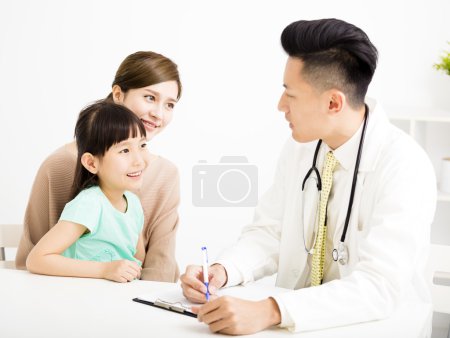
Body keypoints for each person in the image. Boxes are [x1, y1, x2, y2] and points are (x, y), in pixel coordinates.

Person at [180, 18, 437, 334]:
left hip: (378, 328)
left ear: (333, 102)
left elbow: (378, 286)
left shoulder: (405, 165)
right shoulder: (302, 147)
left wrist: (272, 310)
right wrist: (223, 270)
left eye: (290, 94)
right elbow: (271, 231)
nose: (280, 105)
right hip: (302, 323)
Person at [16, 51, 182, 282]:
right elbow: (33, 257)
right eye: (150, 98)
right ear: (118, 94)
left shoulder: (165, 176)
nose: (158, 114)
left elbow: (156, 267)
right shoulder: (60, 165)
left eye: (170, 104)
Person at [27, 102, 148, 282]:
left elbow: (137, 259)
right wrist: (104, 270)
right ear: (91, 163)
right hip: (81, 299)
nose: (139, 160)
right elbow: (37, 260)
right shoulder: (89, 203)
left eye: (142, 145)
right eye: (124, 150)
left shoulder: (134, 204)